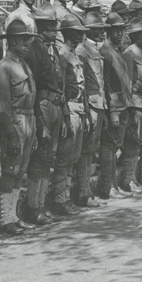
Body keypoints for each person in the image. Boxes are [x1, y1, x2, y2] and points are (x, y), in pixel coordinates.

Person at [0, 19, 39, 235]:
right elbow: (2, 105)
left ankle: (13, 215)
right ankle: (5, 218)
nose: (27, 44)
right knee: (10, 170)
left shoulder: (24, 65)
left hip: (29, 120)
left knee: (20, 170)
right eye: (22, 40)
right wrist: (10, 133)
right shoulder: (4, 67)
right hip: (15, 121)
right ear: (12, 41)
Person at [23, 3, 67, 224]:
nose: (54, 30)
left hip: (56, 105)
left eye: (55, 26)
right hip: (42, 104)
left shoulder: (53, 49)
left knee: (49, 157)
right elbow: (34, 86)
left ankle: (41, 204)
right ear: (40, 26)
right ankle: (34, 207)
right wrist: (40, 122)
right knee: (39, 159)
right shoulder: (34, 49)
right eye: (49, 26)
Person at [54, 13, 89, 215]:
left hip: (79, 108)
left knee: (74, 156)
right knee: (65, 157)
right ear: (69, 34)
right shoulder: (63, 55)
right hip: (69, 108)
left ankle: (66, 197)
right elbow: (62, 88)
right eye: (77, 33)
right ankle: (60, 199)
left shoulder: (74, 54)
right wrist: (65, 117)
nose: (81, 36)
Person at [75, 12, 108, 208]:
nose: (102, 32)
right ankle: (83, 192)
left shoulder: (96, 50)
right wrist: (87, 111)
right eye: (98, 29)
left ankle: (86, 190)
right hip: (89, 106)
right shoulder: (83, 51)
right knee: (85, 151)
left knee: (90, 150)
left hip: (99, 104)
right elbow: (83, 84)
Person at [99, 12, 134, 198]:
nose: (119, 33)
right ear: (108, 31)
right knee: (109, 146)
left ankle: (113, 185)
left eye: (121, 30)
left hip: (123, 106)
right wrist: (112, 111)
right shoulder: (106, 52)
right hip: (114, 108)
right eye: (115, 30)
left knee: (115, 146)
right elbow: (106, 84)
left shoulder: (117, 50)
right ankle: (108, 187)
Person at [120, 18, 142, 193]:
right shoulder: (129, 53)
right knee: (132, 141)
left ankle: (134, 177)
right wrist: (130, 104)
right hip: (136, 102)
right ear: (133, 37)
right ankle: (127, 179)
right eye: (140, 35)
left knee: (140, 141)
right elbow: (128, 81)